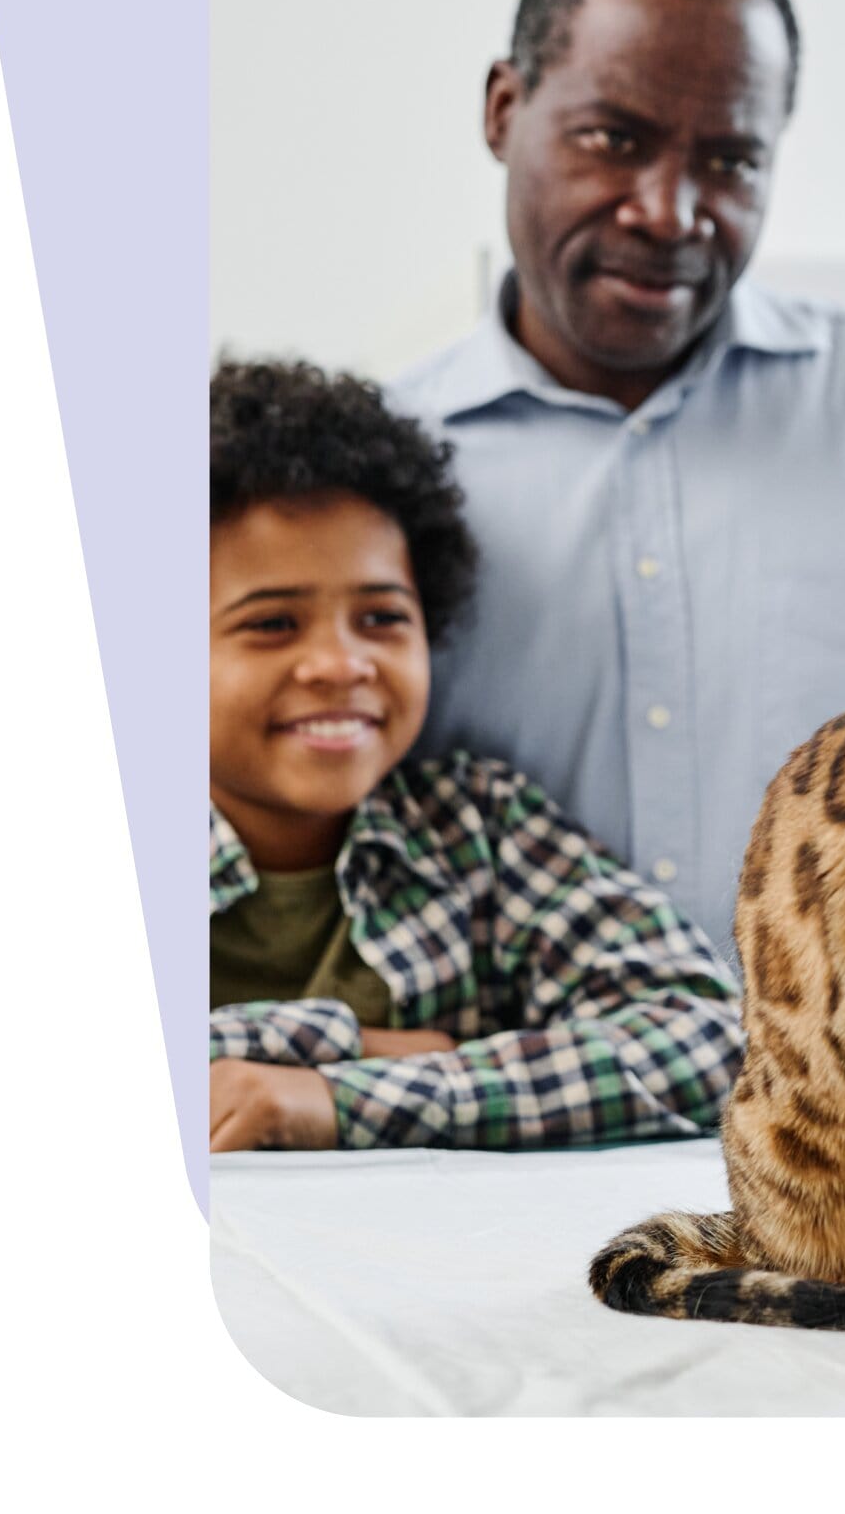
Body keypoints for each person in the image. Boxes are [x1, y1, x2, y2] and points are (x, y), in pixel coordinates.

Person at [387, 0, 845, 962]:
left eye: (731, 161)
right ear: (505, 108)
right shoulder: (375, 476)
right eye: (615, 138)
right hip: (510, 1113)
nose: (670, 211)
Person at [208, 358, 742, 1153]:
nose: (341, 664)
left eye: (382, 618)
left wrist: (340, 1088)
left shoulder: (478, 829)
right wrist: (373, 1039)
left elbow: (709, 1039)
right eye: (272, 624)